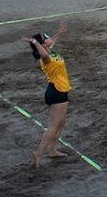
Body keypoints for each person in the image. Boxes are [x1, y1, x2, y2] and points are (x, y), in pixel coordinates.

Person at [23, 23, 71, 168]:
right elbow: (43, 53)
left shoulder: (50, 50)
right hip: (57, 92)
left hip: (60, 90)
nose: (50, 38)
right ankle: (38, 153)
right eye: (47, 37)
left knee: (61, 123)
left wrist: (59, 32)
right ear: (42, 44)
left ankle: (53, 150)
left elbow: (51, 42)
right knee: (53, 125)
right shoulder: (45, 57)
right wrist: (34, 41)